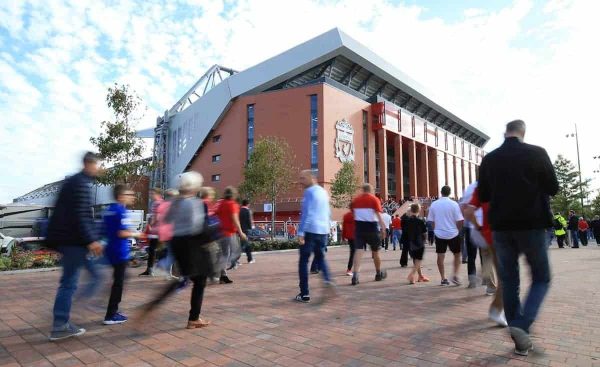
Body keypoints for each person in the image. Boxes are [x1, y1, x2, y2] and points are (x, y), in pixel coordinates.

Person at [478, 120, 558, 356]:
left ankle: (518, 337)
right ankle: (521, 325)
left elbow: (483, 194)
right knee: (541, 277)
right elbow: (553, 188)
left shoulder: (490, 159)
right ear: (523, 133)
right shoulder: (536, 153)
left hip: (501, 227)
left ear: (505, 132)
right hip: (532, 224)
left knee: (509, 280)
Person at [140, 171, 214, 329]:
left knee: (184, 277)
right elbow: (197, 226)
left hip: (177, 242)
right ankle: (193, 318)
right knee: (200, 281)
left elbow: (166, 220)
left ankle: (153, 304)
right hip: (193, 244)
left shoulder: (174, 203)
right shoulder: (195, 202)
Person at [47, 152, 103, 341]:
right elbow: (80, 215)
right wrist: (91, 240)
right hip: (73, 242)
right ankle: (60, 324)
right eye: (99, 165)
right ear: (90, 164)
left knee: (90, 277)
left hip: (73, 241)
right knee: (69, 283)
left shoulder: (77, 181)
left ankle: (67, 315)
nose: (100, 168)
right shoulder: (80, 183)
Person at [464, 185, 508, 327]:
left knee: (479, 257)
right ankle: (490, 286)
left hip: (483, 231)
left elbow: (466, 210)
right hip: (504, 231)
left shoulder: (477, 187)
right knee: (504, 272)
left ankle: (478, 277)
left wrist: (477, 226)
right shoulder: (504, 181)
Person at [102, 184, 141, 325]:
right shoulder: (122, 211)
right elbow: (122, 233)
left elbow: (106, 230)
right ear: (121, 196)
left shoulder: (108, 210)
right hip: (120, 251)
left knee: (119, 280)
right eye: (129, 195)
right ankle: (110, 315)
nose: (132, 197)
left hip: (111, 250)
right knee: (119, 283)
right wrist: (137, 233)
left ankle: (112, 310)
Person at [295, 170, 334, 303]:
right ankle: (328, 280)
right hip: (323, 231)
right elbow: (328, 212)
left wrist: (301, 232)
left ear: (312, 178)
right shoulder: (323, 192)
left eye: (303, 178)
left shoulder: (309, 192)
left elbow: (307, 213)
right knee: (320, 258)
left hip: (310, 231)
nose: (301, 181)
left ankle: (304, 293)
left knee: (303, 262)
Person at [350, 184, 388, 285]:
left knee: (358, 251)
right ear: (371, 190)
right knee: (376, 252)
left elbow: (353, 214)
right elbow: (378, 215)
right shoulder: (374, 199)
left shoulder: (356, 200)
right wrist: (383, 228)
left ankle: (355, 276)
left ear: (362, 190)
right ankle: (378, 273)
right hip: (372, 227)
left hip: (359, 227)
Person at [427, 186, 464, 286]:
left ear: (441, 192)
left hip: (439, 233)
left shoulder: (434, 204)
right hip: (453, 232)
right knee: (457, 254)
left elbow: (431, 221)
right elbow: (460, 220)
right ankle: (455, 274)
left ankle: (443, 278)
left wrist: (435, 230)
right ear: (450, 192)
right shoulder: (454, 204)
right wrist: (457, 229)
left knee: (440, 256)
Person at [215, 187, 246, 284]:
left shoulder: (221, 203)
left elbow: (215, 215)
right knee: (234, 253)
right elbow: (235, 219)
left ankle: (222, 275)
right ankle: (217, 271)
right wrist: (241, 232)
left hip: (220, 232)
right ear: (233, 194)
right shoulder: (232, 204)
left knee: (225, 253)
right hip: (229, 233)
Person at [139, 188, 163, 277]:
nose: (151, 195)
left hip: (155, 231)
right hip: (161, 230)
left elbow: (157, 217)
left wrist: (150, 225)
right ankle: (151, 269)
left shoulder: (156, 203)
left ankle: (150, 269)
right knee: (155, 249)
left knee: (152, 250)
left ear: (158, 194)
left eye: (152, 193)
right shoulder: (162, 202)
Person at [404, 204, 429, 284]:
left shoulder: (407, 221)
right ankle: (411, 276)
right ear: (419, 210)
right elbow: (424, 233)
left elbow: (405, 232)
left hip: (410, 242)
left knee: (415, 260)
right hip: (419, 242)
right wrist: (425, 240)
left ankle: (420, 276)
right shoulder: (420, 221)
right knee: (418, 260)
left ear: (411, 210)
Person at [239, 199, 255, 264]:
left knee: (246, 244)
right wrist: (252, 227)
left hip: (240, 229)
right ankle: (236, 259)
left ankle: (250, 259)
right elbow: (249, 220)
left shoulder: (239, 210)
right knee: (243, 245)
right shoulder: (248, 211)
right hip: (246, 230)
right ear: (248, 204)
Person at [342, 206, 355, 276]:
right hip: (356, 236)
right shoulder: (357, 215)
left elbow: (343, 227)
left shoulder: (346, 215)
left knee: (353, 252)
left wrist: (343, 237)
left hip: (349, 236)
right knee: (355, 253)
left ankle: (350, 269)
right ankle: (349, 269)